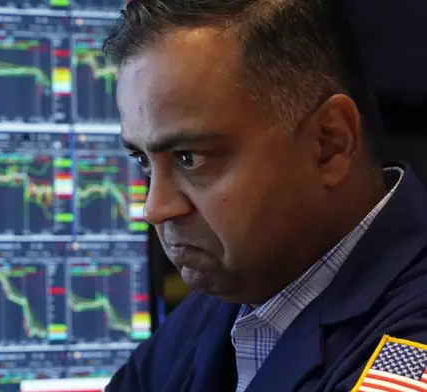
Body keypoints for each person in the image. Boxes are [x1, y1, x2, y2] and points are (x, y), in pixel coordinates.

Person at [102, 0, 427, 391]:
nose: (154, 209)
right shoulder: (238, 289)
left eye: (190, 158)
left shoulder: (411, 349)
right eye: (143, 160)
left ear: (330, 144)